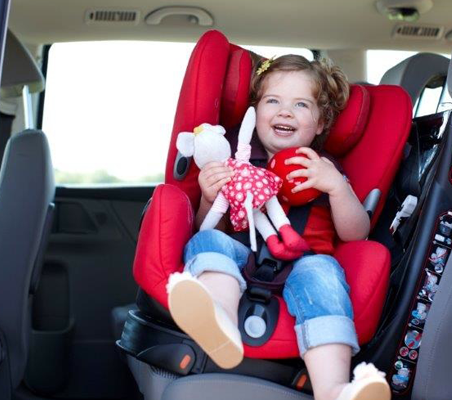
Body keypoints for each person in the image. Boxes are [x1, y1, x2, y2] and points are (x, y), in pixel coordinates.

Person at [166, 55, 391, 400]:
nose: (285, 112)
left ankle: (333, 388)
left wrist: (337, 188)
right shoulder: (235, 159)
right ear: (255, 112)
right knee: (208, 240)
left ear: (320, 123)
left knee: (324, 275)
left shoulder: (324, 167)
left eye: (301, 104)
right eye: (273, 101)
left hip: (304, 261)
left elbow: (356, 234)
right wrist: (210, 199)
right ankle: (219, 320)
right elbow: (210, 227)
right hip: (242, 251)